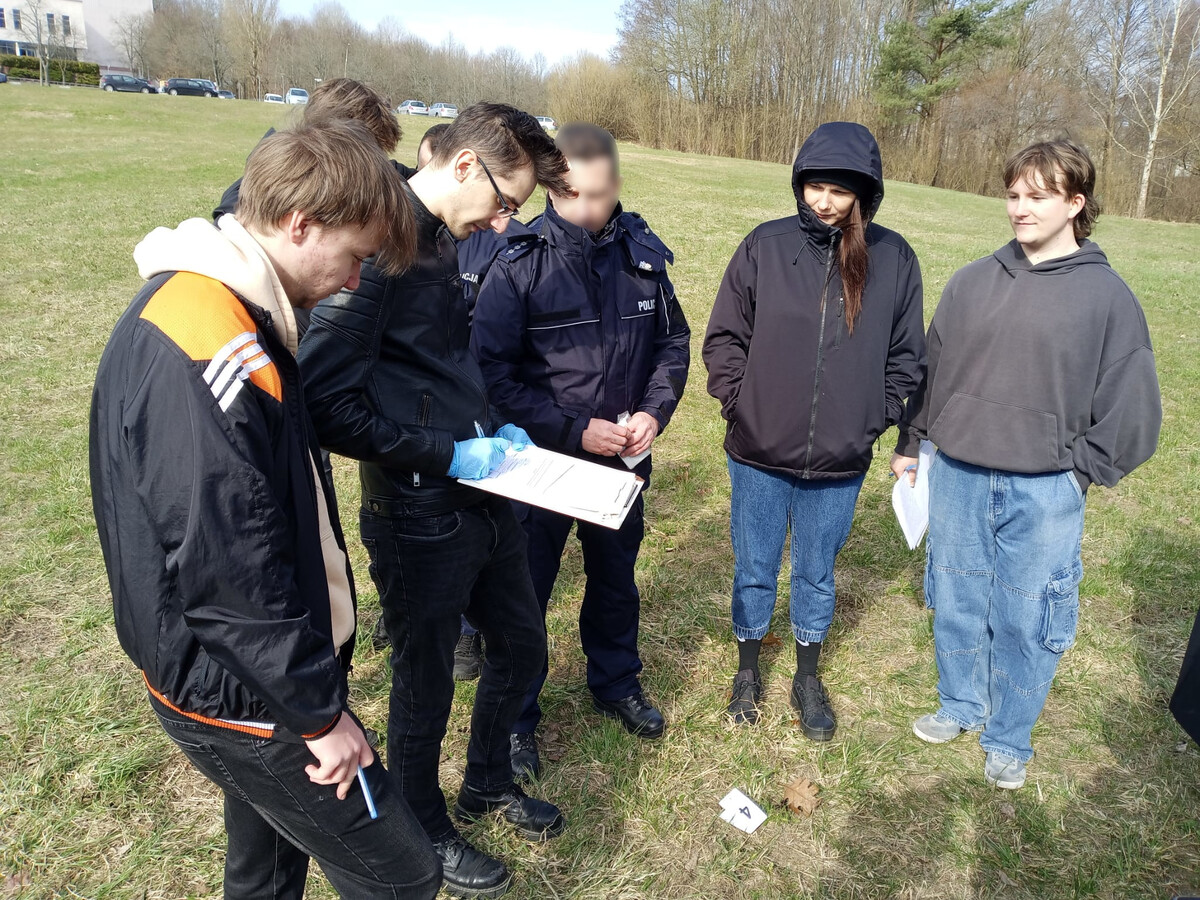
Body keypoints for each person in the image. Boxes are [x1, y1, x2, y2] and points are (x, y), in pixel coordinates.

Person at [89, 121, 442, 899]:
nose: (354, 281)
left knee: (269, 870)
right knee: (403, 875)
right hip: (248, 696)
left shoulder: (233, 309)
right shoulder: (209, 342)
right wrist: (318, 716)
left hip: (251, 677)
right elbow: (229, 570)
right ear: (300, 224)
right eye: (354, 256)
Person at [297, 103, 574, 899]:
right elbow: (325, 404)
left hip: (483, 490)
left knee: (522, 647)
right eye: (505, 199)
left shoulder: (446, 240)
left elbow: (441, 364)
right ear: (463, 165)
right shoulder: (378, 248)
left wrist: (489, 424)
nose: (504, 218)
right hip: (419, 511)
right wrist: (447, 452)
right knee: (426, 681)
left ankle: (486, 781)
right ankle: (422, 825)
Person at [893, 139, 1161, 789]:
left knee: (1026, 616)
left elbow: (1133, 408)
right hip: (957, 475)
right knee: (956, 598)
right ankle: (961, 703)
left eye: (1038, 196)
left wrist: (1079, 472)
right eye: (1013, 195)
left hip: (1045, 491)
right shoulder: (972, 282)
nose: (1020, 208)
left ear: (1075, 203)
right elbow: (933, 373)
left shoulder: (1107, 298)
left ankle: (1009, 736)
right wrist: (912, 442)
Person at [472, 123, 691, 779]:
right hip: (540, 465)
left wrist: (653, 412)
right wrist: (573, 430)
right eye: (571, 194)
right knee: (524, 595)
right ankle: (516, 720)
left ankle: (616, 682)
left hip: (620, 462)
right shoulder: (518, 265)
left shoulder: (642, 257)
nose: (586, 209)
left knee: (615, 580)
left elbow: (672, 345)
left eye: (598, 194)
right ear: (549, 187)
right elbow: (491, 376)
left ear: (617, 183)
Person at [703, 121, 926, 738]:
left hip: (839, 459)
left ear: (865, 194)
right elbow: (725, 337)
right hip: (757, 451)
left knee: (816, 573)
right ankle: (748, 670)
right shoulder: (765, 246)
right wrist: (740, 405)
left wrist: (872, 416)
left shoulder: (893, 258)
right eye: (814, 187)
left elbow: (906, 355)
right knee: (754, 565)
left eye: (839, 191)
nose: (824, 202)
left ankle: (806, 675)